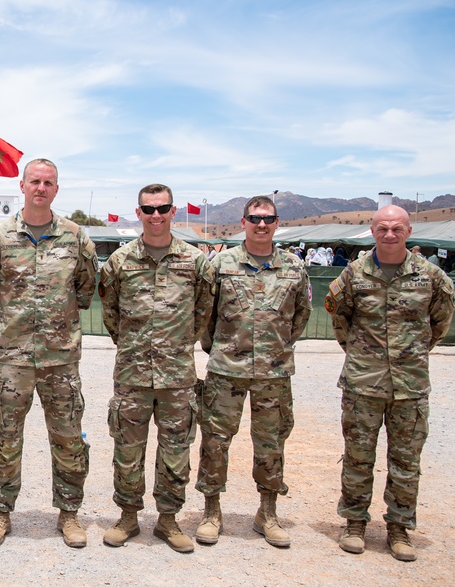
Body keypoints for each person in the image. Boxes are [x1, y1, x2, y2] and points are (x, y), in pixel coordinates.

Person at [0, 159, 98, 549]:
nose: (41, 188)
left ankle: (70, 514)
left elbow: (85, 291)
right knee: (6, 437)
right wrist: (11, 320)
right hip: (13, 359)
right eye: (35, 182)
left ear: (56, 190)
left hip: (61, 359)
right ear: (21, 186)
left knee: (68, 439)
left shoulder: (77, 238)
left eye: (49, 183)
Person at [325, 204, 454, 561]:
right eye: (383, 228)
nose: (390, 235)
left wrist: (409, 354)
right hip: (363, 383)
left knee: (406, 460)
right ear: (372, 231)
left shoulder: (430, 276)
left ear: (409, 231)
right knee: (358, 456)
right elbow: (341, 321)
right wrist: (365, 354)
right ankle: (354, 523)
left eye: (397, 228)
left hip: (410, 386)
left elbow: (440, 322)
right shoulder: (354, 275)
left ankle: (399, 527)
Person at [98, 183, 215, 553]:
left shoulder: (195, 261)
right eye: (148, 209)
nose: (156, 216)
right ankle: (128, 516)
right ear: (139, 213)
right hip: (132, 374)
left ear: (173, 211)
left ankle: (168, 519)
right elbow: (111, 314)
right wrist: (136, 346)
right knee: (127, 449)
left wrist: (176, 344)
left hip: (177, 375)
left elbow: (202, 312)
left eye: (162, 208)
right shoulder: (120, 261)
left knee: (176, 450)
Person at [195, 196, 311, 548]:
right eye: (255, 219)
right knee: (215, 440)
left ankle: (267, 512)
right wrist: (217, 348)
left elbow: (300, 316)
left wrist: (275, 347)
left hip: (274, 373)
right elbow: (206, 315)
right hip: (227, 369)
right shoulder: (221, 265)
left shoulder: (294, 267)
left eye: (268, 219)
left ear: (277, 223)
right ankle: (212, 511)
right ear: (243, 222)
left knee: (271, 443)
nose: (262, 225)